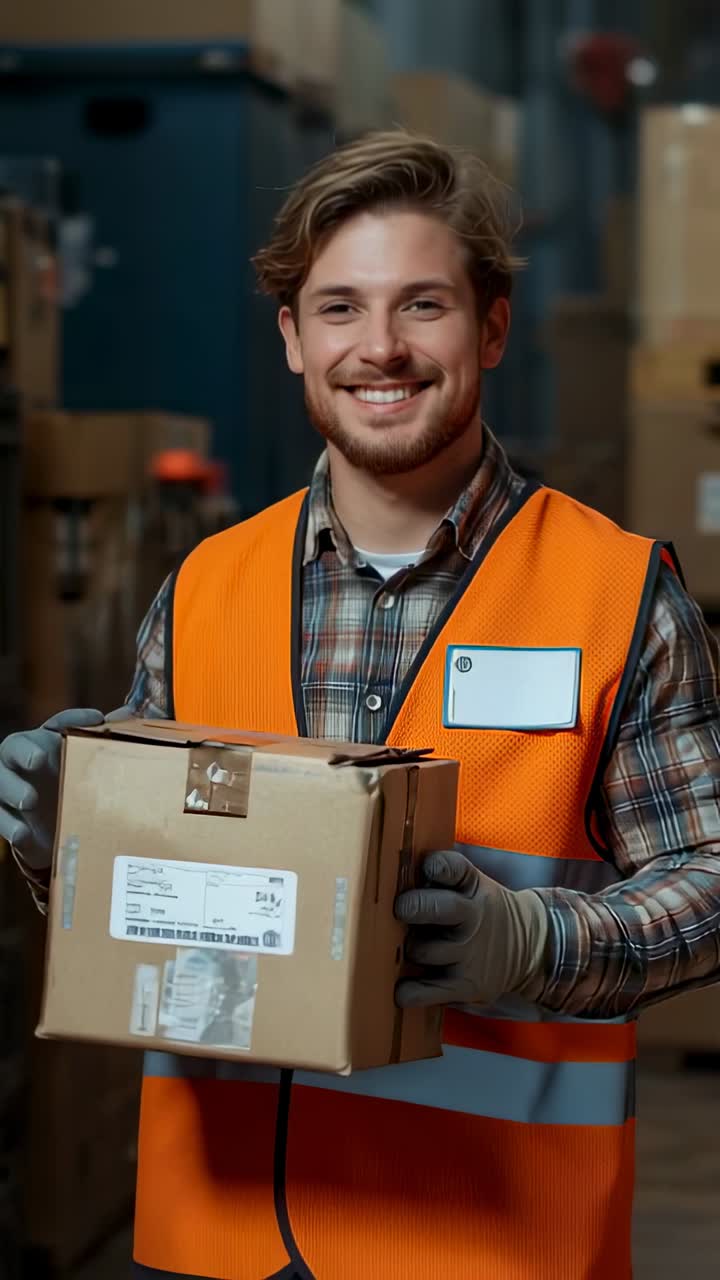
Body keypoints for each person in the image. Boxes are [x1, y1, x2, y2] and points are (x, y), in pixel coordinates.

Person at [2, 130, 720, 1280]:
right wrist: (69, 842)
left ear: (490, 327)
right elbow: (157, 903)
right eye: (338, 308)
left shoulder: (619, 591)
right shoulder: (206, 587)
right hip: (224, 1237)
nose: (378, 347)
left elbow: (711, 880)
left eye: (420, 305)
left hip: (492, 1241)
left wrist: (535, 938)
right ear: (293, 338)